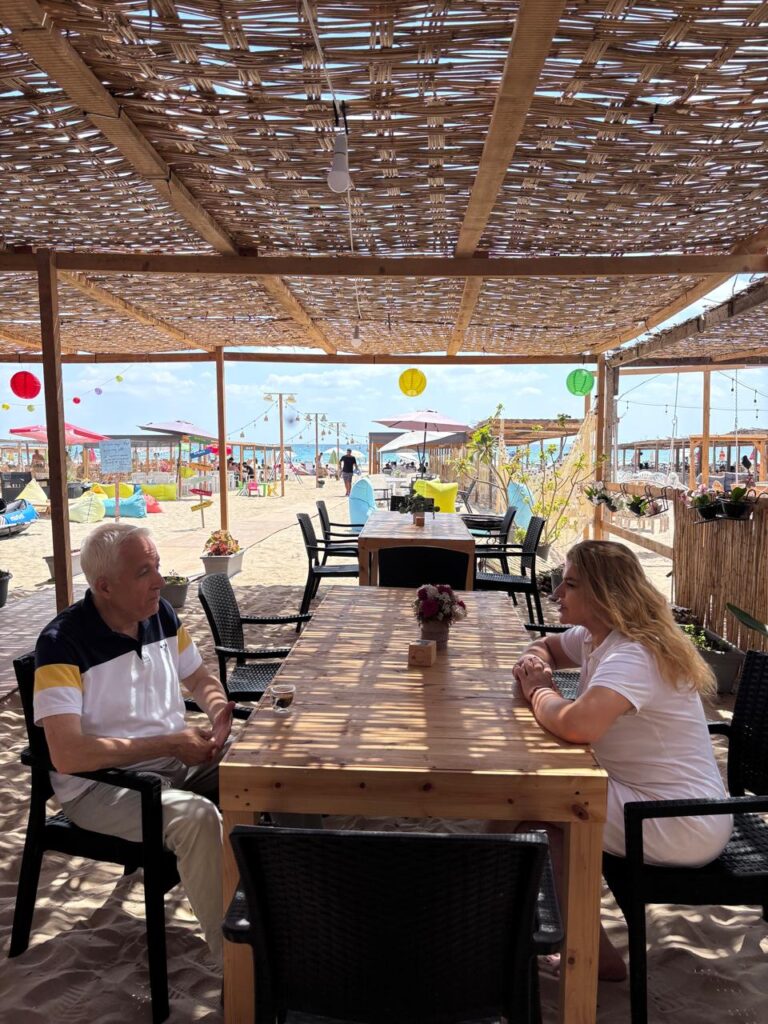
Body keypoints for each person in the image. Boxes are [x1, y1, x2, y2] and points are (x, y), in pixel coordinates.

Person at [508, 540, 731, 981]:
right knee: (528, 799)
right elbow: (548, 646)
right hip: (651, 801)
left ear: (604, 595)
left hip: (678, 820)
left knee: (532, 804)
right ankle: (503, 915)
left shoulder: (633, 654)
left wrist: (538, 690)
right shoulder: (598, 635)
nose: (556, 593)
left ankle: (576, 947)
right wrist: (534, 660)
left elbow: (577, 726)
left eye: (570, 585)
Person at [33, 522, 236, 965]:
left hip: (172, 763)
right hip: (100, 787)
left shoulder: (159, 614)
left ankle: (306, 892)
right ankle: (237, 964)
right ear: (104, 586)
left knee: (259, 761)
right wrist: (171, 743)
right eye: (145, 571)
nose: (160, 581)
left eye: (157, 566)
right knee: (197, 818)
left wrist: (219, 713)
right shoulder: (61, 644)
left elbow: (200, 678)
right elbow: (69, 754)